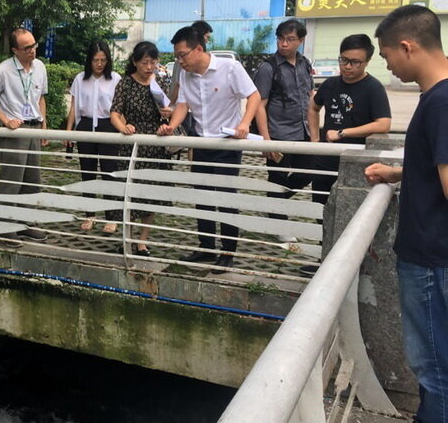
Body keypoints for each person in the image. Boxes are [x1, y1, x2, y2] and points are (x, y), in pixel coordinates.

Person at [364, 4, 448, 423]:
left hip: (434, 254)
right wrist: (399, 173)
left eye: (387, 55)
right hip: (429, 251)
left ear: (408, 46)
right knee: (432, 354)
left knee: (434, 356)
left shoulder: (440, 101)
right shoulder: (437, 97)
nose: (387, 65)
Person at [158, 26, 260, 272]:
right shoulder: (185, 74)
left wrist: (245, 123)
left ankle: (227, 252)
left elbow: (254, 96)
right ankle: (206, 247)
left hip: (226, 144)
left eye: (183, 55)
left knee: (225, 199)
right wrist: (171, 126)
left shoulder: (230, 68)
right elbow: (183, 105)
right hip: (200, 143)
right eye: (177, 56)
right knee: (202, 197)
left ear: (199, 49)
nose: (179, 61)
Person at [307, 34, 391, 205]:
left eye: (355, 62)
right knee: (320, 205)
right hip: (326, 158)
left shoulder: (373, 88)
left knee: (349, 209)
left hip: (357, 160)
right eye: (343, 60)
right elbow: (313, 107)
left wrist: (342, 133)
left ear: (367, 61)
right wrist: (315, 139)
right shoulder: (330, 84)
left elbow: (383, 124)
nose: (347, 66)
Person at [0, 27, 49, 240]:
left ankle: (24, 223)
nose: (32, 50)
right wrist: (6, 120)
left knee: (32, 181)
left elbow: (41, 98)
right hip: (15, 131)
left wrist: (44, 126)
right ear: (15, 50)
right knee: (12, 181)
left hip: (35, 128)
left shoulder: (40, 67)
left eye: (34, 45)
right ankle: (5, 225)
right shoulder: (3, 71)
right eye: (27, 47)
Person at [109, 41, 171, 256]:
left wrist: (167, 115)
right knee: (129, 193)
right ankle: (127, 238)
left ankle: (143, 241)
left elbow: (171, 109)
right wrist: (123, 127)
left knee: (151, 194)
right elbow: (115, 112)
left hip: (155, 143)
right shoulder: (125, 83)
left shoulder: (160, 82)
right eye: (145, 62)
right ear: (135, 62)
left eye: (153, 62)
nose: (149, 67)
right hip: (132, 143)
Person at [254, 19, 314, 238]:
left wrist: (314, 134)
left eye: (290, 39)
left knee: (307, 171)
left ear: (301, 40)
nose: (284, 44)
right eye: (280, 38)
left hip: (303, 132)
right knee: (278, 179)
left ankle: (272, 205)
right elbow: (259, 105)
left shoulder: (305, 64)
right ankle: (280, 226)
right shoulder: (268, 68)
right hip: (278, 133)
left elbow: (310, 98)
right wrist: (266, 140)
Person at [65, 40, 123, 232]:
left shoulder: (115, 79)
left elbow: (121, 108)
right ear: (89, 60)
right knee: (87, 172)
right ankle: (90, 214)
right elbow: (74, 107)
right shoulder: (80, 79)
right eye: (96, 60)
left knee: (109, 172)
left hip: (108, 125)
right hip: (86, 125)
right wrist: (69, 131)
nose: (99, 64)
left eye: (103, 60)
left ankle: (111, 217)